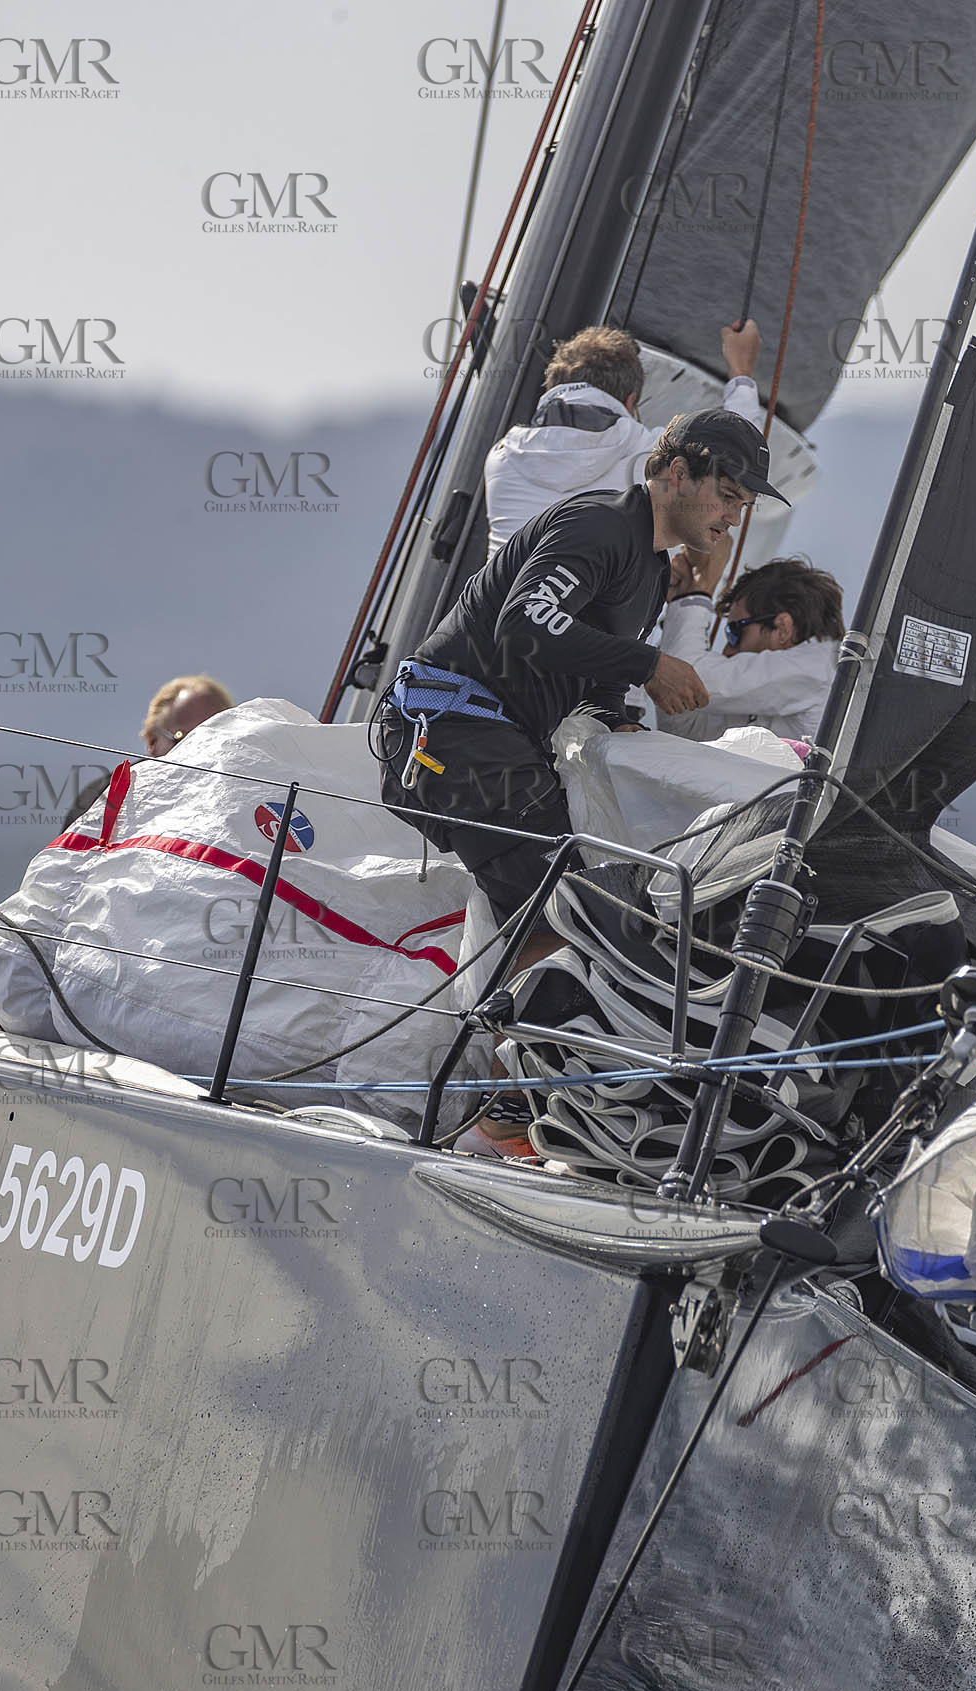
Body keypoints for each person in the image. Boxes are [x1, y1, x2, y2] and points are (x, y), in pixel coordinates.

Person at [380, 408, 786, 1155]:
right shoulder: (599, 526)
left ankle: (524, 1092)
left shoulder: (650, 573)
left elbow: (574, 666)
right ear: (673, 474)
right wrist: (648, 666)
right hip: (451, 735)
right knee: (559, 895)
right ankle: (511, 1105)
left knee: (579, 892)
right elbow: (524, 625)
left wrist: (621, 712)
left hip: (495, 743)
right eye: (726, 491)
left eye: (744, 501)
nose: (735, 513)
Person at [483, 320, 766, 553]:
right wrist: (741, 372)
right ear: (631, 402)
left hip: (499, 614)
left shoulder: (501, 457)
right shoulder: (651, 457)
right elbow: (738, 456)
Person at [654, 549, 843, 744]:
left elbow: (684, 676)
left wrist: (698, 591)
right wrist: (682, 600)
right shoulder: (786, 687)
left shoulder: (819, 666)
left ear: (782, 629)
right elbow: (684, 730)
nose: (727, 650)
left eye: (735, 632)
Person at [67, 674, 234, 822]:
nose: (201, 750)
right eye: (182, 739)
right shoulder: (104, 796)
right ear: (152, 741)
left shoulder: (247, 795)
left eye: (215, 738)